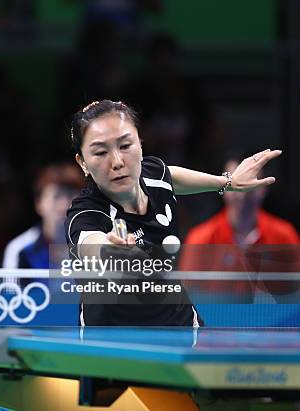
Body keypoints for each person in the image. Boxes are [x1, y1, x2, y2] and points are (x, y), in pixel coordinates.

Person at [64, 99, 280, 326]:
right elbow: (89, 243)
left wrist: (227, 182)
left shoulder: (153, 173)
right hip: (114, 342)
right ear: (83, 163)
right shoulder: (86, 213)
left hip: (180, 324)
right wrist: (109, 251)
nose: (117, 162)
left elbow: (169, 176)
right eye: (100, 152)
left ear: (140, 142)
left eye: (125, 145)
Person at [179, 154, 299, 302]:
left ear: (264, 188)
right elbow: (187, 295)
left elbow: (296, 291)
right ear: (223, 189)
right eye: (234, 184)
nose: (242, 195)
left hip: (274, 322)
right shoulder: (200, 238)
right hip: (214, 322)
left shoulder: (284, 235)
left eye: (250, 185)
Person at [2, 163, 83, 269]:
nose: (63, 205)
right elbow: (11, 286)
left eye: (70, 195)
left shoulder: (97, 244)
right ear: (39, 204)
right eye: (56, 196)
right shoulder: (19, 249)